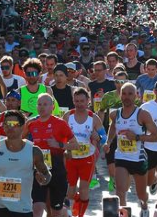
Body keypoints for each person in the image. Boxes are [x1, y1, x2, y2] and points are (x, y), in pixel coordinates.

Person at [0, 110, 53, 217]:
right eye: (6, 124)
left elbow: (47, 175)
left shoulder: (34, 151)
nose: (10, 127)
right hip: (0, 207)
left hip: (23, 209)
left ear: (22, 126)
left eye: (14, 124)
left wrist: (43, 179)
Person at [104, 82, 157, 211]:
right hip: (121, 156)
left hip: (138, 159)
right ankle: (123, 213)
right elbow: (112, 128)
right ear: (120, 95)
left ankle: (144, 208)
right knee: (120, 191)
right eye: (124, 94)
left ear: (136, 96)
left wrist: (137, 137)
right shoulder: (115, 114)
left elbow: (156, 136)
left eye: (130, 94)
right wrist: (108, 142)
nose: (126, 97)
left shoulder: (142, 114)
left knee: (141, 195)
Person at [25, 93, 79, 217]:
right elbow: (21, 141)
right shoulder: (31, 124)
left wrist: (59, 145)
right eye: (39, 104)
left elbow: (75, 145)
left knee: (55, 212)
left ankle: (67, 213)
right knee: (37, 208)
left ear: (52, 107)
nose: (42, 107)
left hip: (57, 170)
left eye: (45, 104)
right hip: (38, 171)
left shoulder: (60, 123)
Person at [63, 88, 104, 217]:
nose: (79, 104)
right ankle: (75, 206)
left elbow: (104, 136)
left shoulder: (93, 118)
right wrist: (65, 149)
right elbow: (61, 135)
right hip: (70, 157)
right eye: (77, 101)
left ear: (88, 101)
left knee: (84, 189)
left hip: (87, 158)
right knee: (70, 191)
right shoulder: (68, 116)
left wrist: (99, 137)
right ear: (73, 101)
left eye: (82, 101)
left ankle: (79, 214)